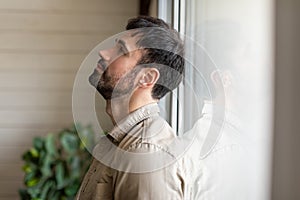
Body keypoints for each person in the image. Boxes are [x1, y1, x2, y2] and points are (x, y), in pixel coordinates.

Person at [75, 16, 187, 200]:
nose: (104, 52)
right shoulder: (119, 142)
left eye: (121, 50)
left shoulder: (145, 154)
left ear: (147, 78)